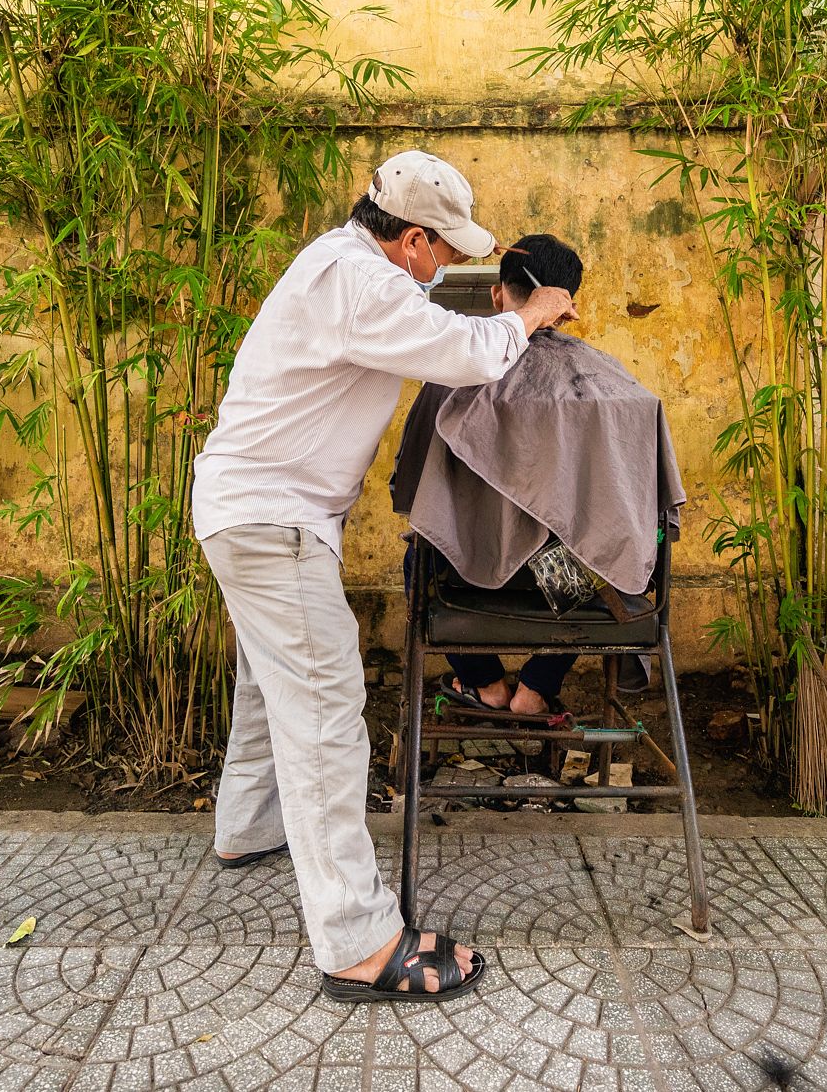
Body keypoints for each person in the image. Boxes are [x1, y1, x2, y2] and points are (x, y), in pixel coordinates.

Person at [190, 150, 576, 1004]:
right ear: (409, 240)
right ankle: (360, 944)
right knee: (325, 710)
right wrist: (532, 313)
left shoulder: (339, 260)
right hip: (272, 518)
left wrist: (496, 311)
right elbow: (462, 351)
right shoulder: (364, 286)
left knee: (270, 684)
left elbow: (430, 316)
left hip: (243, 508)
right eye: (442, 252)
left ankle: (248, 830)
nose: (446, 267)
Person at [389, 233, 684, 716]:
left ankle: (486, 686)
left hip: (466, 585)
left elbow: (413, 488)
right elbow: (644, 510)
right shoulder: (616, 391)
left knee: (418, 556)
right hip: (574, 590)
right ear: (568, 302)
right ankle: (536, 689)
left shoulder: (455, 375)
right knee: (591, 553)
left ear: (497, 294)